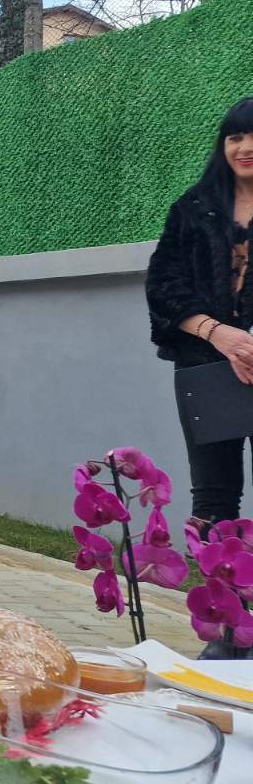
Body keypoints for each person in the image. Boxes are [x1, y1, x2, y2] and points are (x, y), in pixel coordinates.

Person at [147, 97, 253, 523]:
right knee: (213, 498)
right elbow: (163, 285)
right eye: (235, 136)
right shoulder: (193, 208)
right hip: (205, 364)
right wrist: (219, 334)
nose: (244, 147)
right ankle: (223, 590)